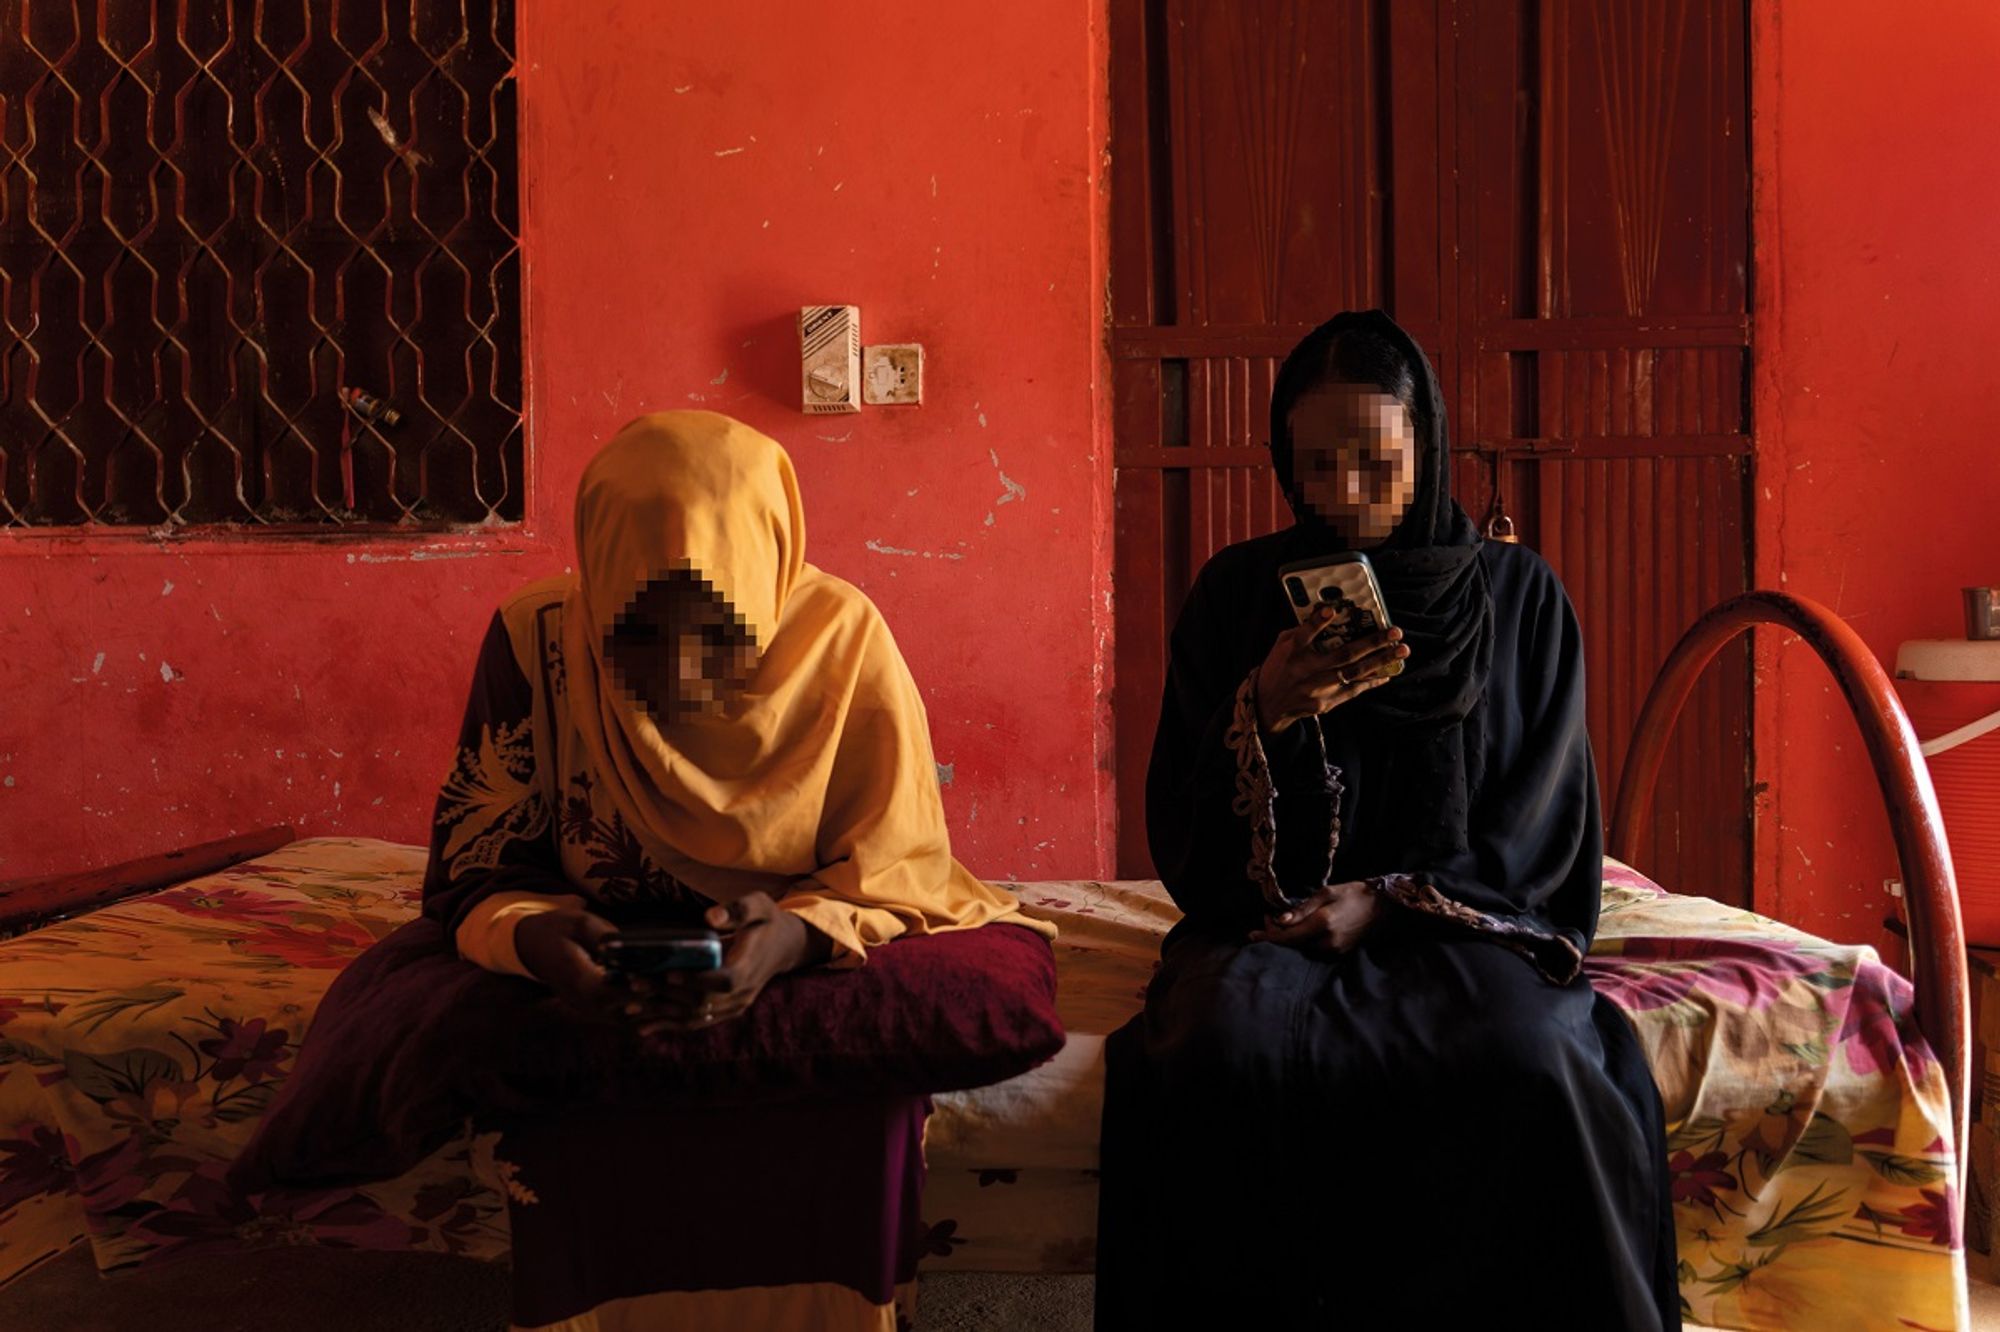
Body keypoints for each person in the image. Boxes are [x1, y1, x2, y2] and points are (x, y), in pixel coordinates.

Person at [1094, 311, 1680, 1329]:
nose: (1345, 495)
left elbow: (1541, 822)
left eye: (1376, 461)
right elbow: (1184, 829)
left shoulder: (1516, 599)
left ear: (1427, 448)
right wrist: (1264, 710)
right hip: (1268, 923)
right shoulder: (1240, 595)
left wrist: (1391, 901)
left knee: (1526, 1057)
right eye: (1315, 465)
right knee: (1216, 1053)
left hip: (1458, 920)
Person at [424, 409, 1053, 1331]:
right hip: (600, 950)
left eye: (719, 631)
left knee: (851, 1097)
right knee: (565, 1087)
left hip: (800, 941)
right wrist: (534, 936)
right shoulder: (538, 640)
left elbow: (899, 864)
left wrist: (792, 937)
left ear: (771, 582)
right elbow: (477, 867)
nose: (678, 673)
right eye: (636, 632)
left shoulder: (841, 639)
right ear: (596, 595)